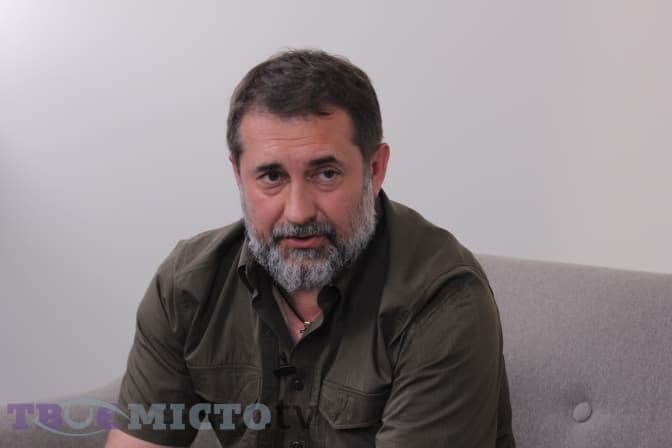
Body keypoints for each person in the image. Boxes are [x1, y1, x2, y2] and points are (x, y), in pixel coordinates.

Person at [106, 49, 515, 448]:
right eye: (271, 177)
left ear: (375, 169)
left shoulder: (444, 300)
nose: (298, 212)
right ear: (238, 174)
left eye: (326, 174)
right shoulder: (187, 286)